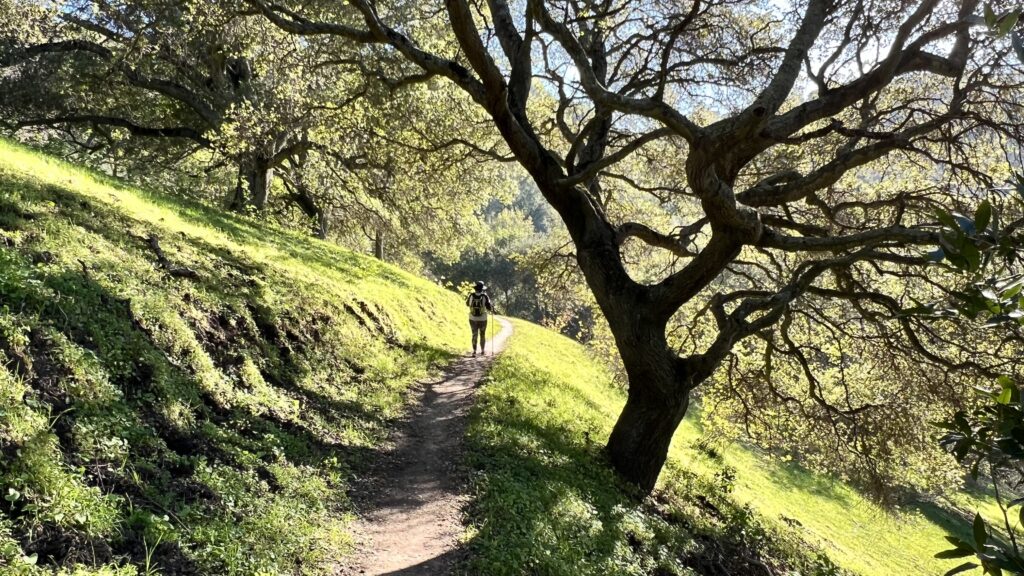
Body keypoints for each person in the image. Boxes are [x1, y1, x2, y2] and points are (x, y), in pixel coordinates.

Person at [466, 281, 494, 356]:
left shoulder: (471, 295)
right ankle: (482, 351)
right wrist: (491, 306)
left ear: (475, 288)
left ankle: (474, 351)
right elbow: (489, 308)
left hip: (472, 318)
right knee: (482, 334)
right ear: (482, 289)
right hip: (483, 319)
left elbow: (467, 304)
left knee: (474, 334)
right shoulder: (484, 296)